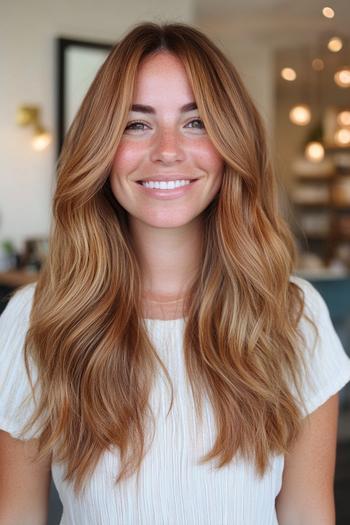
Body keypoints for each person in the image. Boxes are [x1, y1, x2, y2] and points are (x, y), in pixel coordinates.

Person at [1, 21, 350, 525]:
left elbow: (308, 512)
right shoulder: (38, 320)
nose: (167, 149)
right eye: (136, 124)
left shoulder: (294, 317)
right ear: (101, 147)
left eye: (196, 122)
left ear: (233, 141)